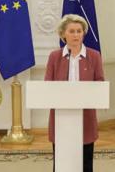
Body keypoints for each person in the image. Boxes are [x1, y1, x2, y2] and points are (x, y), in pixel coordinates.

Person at [45, 14, 104, 172]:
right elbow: (47, 86)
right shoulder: (54, 57)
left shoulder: (94, 56)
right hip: (61, 116)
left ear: (84, 33)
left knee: (85, 161)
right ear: (63, 34)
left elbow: (99, 83)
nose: (76, 35)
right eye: (72, 31)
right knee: (61, 162)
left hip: (85, 115)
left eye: (79, 31)